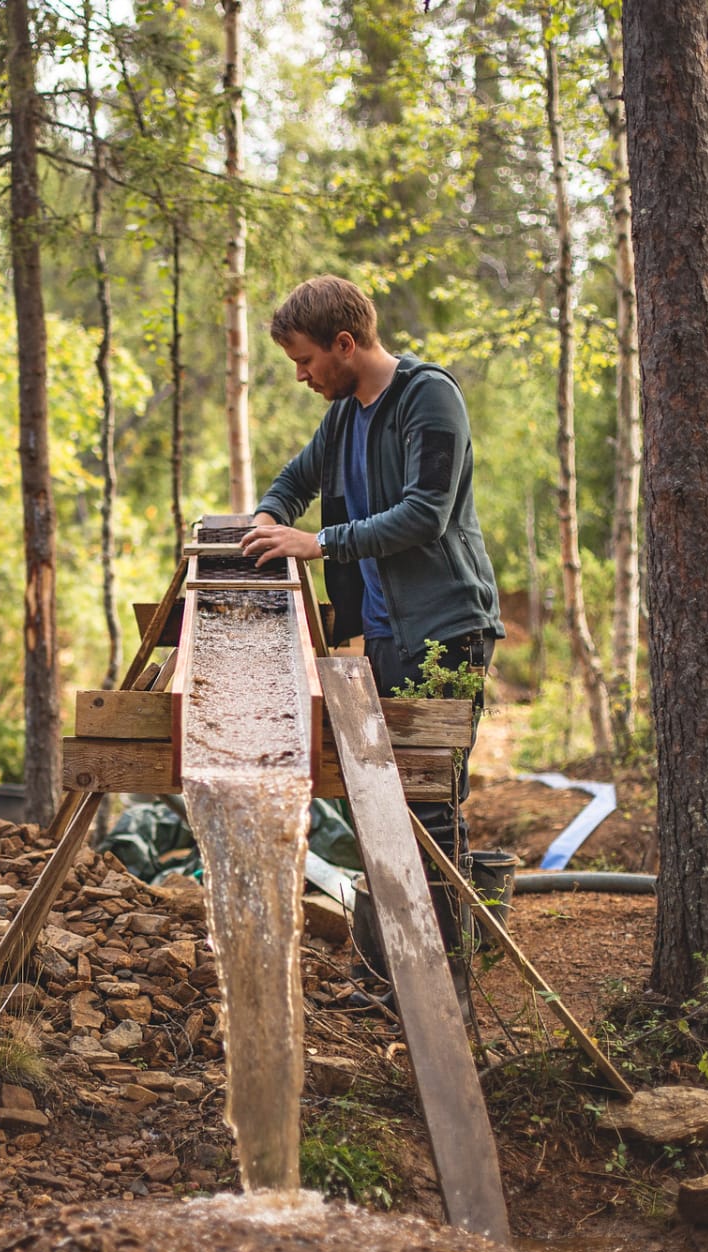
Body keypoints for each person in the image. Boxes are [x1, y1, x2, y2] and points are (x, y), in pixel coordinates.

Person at [239, 273, 502, 996]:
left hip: (448, 630)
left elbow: (427, 514)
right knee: (384, 801)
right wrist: (268, 518)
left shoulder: (428, 397)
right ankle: (393, 974)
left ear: (345, 344)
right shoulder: (345, 415)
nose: (300, 376)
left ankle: (441, 986)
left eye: (305, 360)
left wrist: (317, 543)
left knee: (429, 804)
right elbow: (293, 480)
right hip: (386, 635)